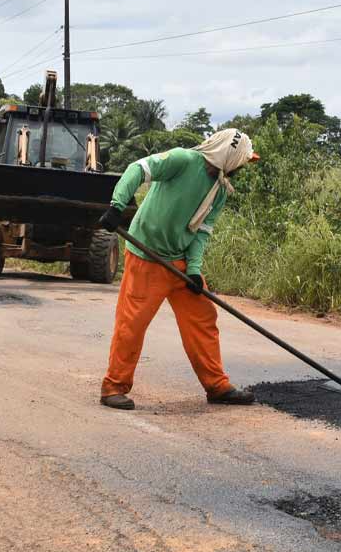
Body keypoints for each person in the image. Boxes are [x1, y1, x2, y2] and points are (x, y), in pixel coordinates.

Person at [97, 129, 259, 410]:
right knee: (132, 324)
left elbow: (202, 232)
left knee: (203, 319)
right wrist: (117, 205)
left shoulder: (220, 190)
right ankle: (114, 387)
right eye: (242, 161)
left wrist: (194, 270)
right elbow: (138, 169)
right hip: (146, 257)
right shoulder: (183, 160)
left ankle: (217, 386)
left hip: (180, 262)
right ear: (229, 156)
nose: (242, 167)